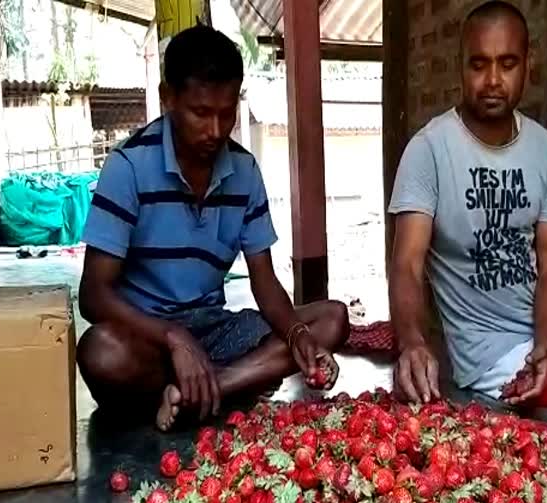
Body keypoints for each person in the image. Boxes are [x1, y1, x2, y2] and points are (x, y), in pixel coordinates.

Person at [387, 1, 547, 429]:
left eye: (507, 63)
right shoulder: (429, 150)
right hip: (488, 352)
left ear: (527, 64)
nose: (493, 80)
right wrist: (413, 343)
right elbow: (406, 263)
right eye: (479, 64)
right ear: (460, 67)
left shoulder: (545, 150)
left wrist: (545, 345)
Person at [76, 25, 348, 431]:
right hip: (147, 335)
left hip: (215, 331)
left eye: (227, 113)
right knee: (101, 352)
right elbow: (93, 295)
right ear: (168, 98)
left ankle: (203, 391)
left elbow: (265, 281)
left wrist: (297, 338)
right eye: (201, 113)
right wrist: (172, 336)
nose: (216, 130)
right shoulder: (128, 166)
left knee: (331, 319)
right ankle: (220, 387)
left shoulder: (244, 171)